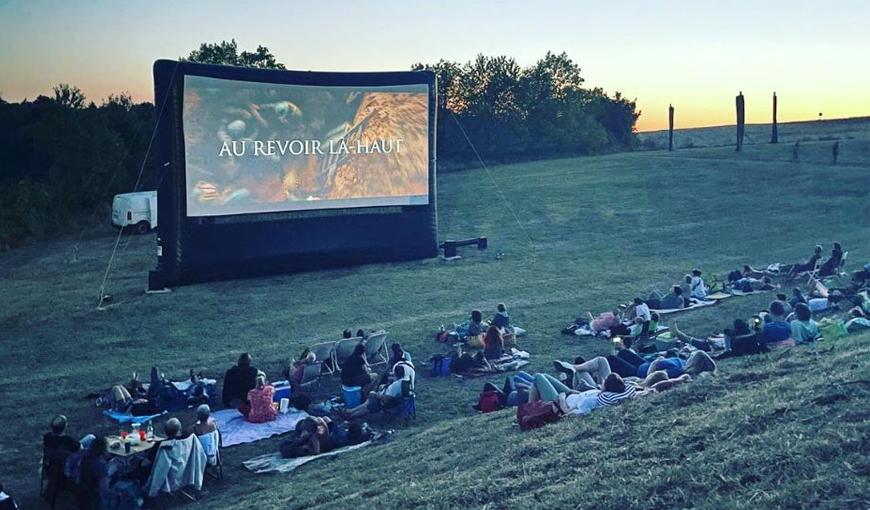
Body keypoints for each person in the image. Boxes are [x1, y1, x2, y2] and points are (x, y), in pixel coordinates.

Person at [76, 437, 109, 510]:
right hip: (93, 492)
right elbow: (104, 486)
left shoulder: (84, 453)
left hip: (81, 485)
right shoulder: (100, 463)